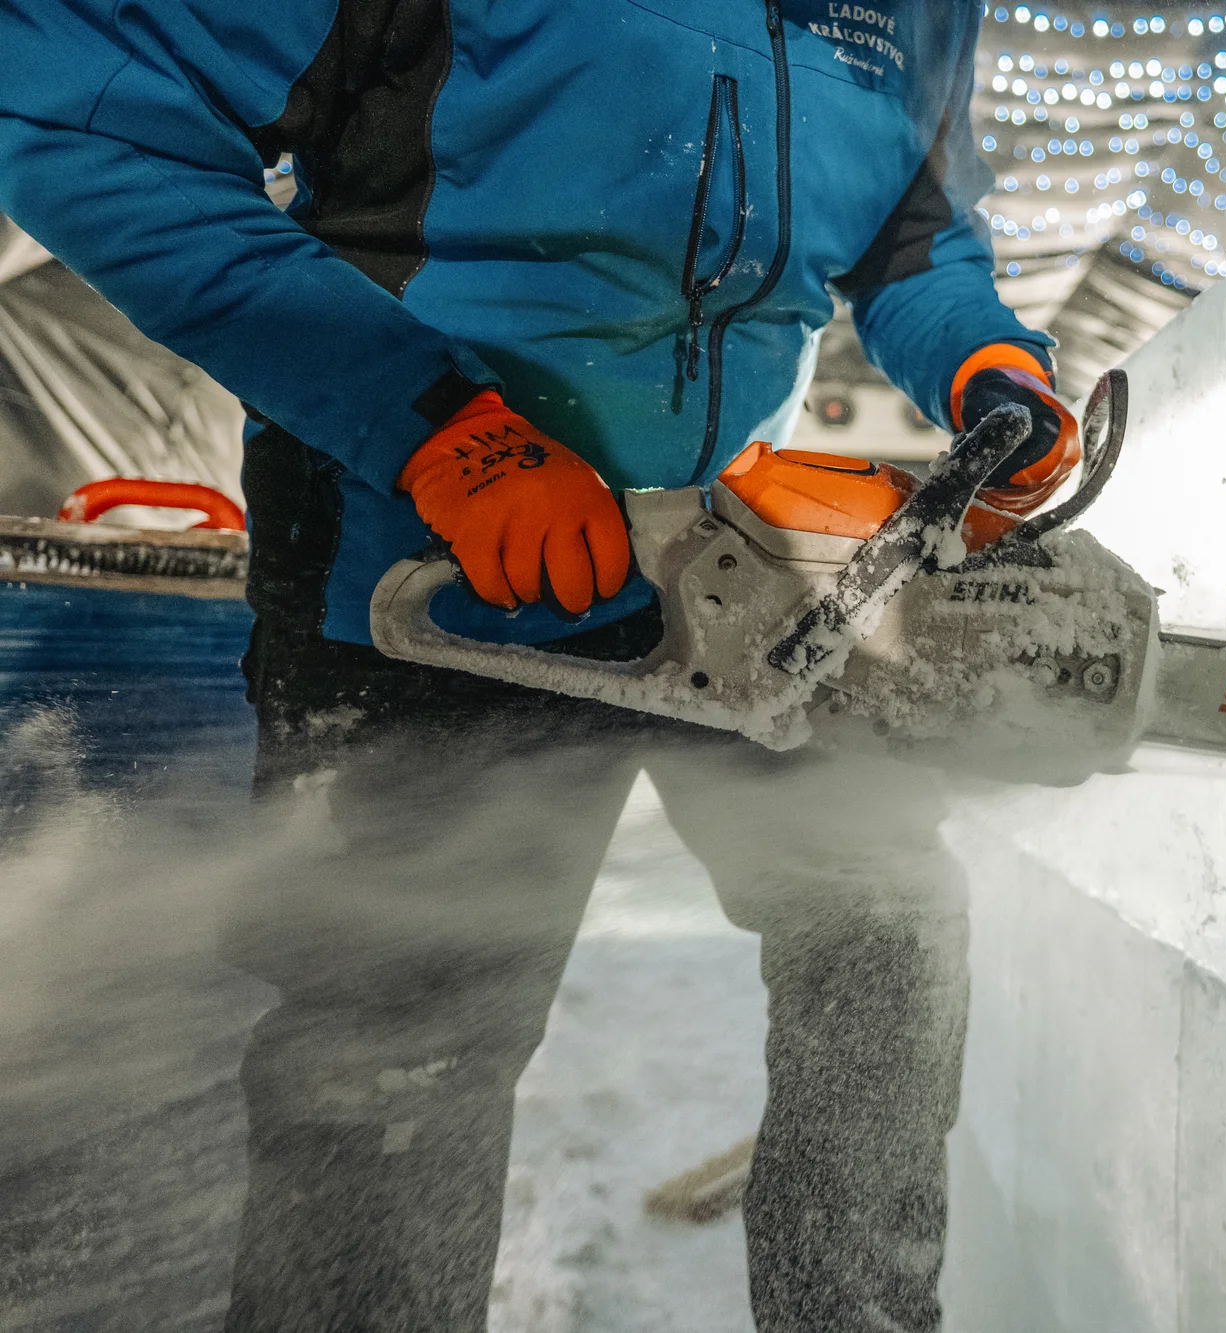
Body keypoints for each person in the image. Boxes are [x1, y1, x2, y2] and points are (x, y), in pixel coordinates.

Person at [0, 3, 1080, 1329]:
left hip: (739, 567)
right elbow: (72, 109)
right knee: (407, 1049)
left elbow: (913, 236)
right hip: (425, 570)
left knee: (883, 936)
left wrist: (981, 351)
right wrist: (439, 430)